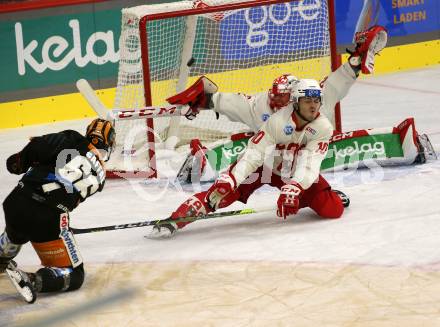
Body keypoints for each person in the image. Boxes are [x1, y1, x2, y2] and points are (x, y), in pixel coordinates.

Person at [148, 25, 387, 238]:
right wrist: (202, 100)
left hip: (297, 166)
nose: (277, 105)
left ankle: (313, 196)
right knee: (220, 193)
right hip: (263, 164)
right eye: (275, 100)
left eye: (283, 100)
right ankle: (177, 219)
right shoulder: (259, 107)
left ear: (295, 98)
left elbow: (337, 84)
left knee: (332, 210)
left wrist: (356, 61)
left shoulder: (315, 103)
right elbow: (244, 137)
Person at [0, 118, 115, 303]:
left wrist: (18, 162)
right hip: (48, 217)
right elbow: (68, 198)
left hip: (17, 201)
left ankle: (2, 253)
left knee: (17, 232)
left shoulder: (71, 138)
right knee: (75, 274)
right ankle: (34, 280)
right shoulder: (101, 175)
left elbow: (38, 148)